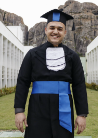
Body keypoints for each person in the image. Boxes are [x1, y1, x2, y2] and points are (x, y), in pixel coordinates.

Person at [14, 9, 89, 138]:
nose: (55, 32)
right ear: (45, 30)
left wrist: (81, 114)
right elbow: (22, 82)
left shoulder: (73, 56)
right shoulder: (33, 54)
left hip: (64, 105)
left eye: (60, 29)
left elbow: (79, 85)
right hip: (37, 107)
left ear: (65, 32)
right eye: (52, 28)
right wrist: (19, 111)